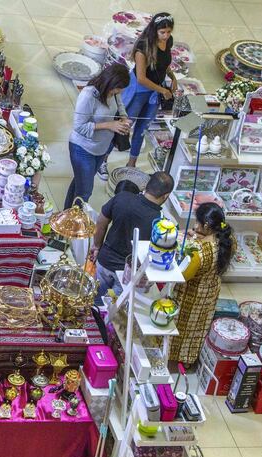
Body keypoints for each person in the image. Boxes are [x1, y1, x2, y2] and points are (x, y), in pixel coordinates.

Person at [90, 171, 174, 300]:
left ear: (146, 185)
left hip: (104, 260)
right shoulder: (160, 223)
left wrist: (96, 246)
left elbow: (101, 222)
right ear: (166, 196)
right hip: (126, 273)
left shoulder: (122, 198)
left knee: (94, 299)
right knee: (111, 310)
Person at [169, 202, 235, 365]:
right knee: (197, 329)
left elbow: (183, 276)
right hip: (210, 291)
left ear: (205, 225)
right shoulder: (228, 240)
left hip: (191, 296)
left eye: (197, 222)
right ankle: (189, 359)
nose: (195, 225)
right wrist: (196, 236)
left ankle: (172, 356)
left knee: (181, 328)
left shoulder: (198, 252)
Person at [65, 63, 132, 209]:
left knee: (79, 182)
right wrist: (110, 125)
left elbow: (120, 106)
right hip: (83, 148)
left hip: (101, 148)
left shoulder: (114, 93)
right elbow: (79, 126)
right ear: (110, 82)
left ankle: (65, 215)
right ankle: (73, 226)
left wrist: (124, 119)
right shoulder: (88, 95)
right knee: (84, 192)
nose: (118, 92)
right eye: (117, 89)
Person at [123, 12, 176, 167]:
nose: (166, 36)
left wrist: (173, 77)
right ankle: (104, 159)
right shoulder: (143, 48)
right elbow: (141, 78)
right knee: (126, 124)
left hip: (154, 91)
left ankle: (131, 164)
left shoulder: (168, 41)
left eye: (169, 32)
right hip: (139, 90)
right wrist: (162, 90)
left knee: (143, 127)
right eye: (162, 32)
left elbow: (164, 64)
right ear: (154, 30)